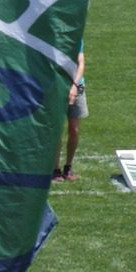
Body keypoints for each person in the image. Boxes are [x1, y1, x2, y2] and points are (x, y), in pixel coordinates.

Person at [54, 47, 85, 183]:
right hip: (56, 87)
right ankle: (55, 169)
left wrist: (74, 85)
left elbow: (81, 63)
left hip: (76, 87)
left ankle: (68, 167)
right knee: (56, 131)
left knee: (74, 129)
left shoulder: (77, 37)